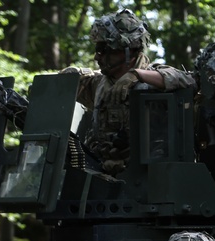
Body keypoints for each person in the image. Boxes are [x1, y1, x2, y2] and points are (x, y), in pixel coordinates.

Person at [61, 9, 196, 174]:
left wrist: (136, 75)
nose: (97, 57)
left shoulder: (151, 79)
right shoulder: (99, 84)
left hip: (148, 177)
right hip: (100, 173)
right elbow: (65, 86)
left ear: (127, 51)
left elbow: (188, 81)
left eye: (103, 50)